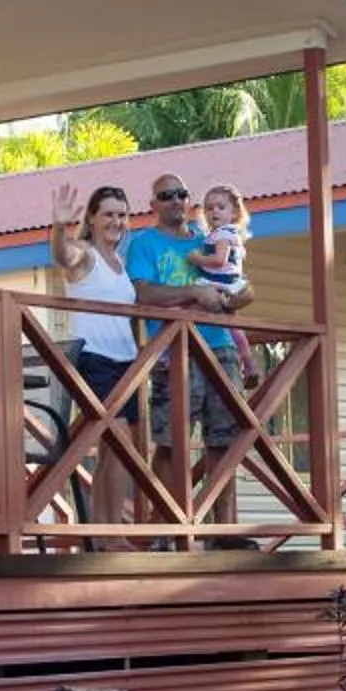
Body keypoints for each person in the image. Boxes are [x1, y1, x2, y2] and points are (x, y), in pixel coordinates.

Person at [123, 175, 252, 475]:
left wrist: (232, 299)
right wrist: (195, 292)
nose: (176, 200)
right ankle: (165, 520)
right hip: (173, 352)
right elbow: (143, 294)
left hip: (221, 346)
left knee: (225, 443)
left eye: (181, 194)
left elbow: (243, 290)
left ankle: (222, 523)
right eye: (167, 195)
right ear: (154, 204)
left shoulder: (210, 238)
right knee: (170, 444)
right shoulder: (144, 242)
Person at [50, 182, 141, 532]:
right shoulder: (84, 254)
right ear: (91, 217)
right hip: (94, 359)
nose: (116, 221)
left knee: (111, 450)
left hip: (125, 362)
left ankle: (104, 531)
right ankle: (111, 532)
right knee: (119, 443)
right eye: (108, 214)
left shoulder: (119, 261)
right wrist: (59, 227)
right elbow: (62, 256)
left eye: (121, 214)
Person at [192, 184, 255, 386]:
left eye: (220, 207)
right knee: (232, 323)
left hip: (221, 281)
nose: (214, 212)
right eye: (209, 208)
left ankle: (247, 362)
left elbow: (219, 260)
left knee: (195, 292)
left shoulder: (222, 234)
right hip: (230, 281)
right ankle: (248, 362)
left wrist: (198, 259)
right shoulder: (226, 233)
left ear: (234, 212)